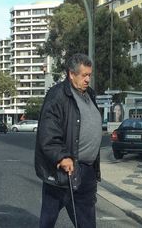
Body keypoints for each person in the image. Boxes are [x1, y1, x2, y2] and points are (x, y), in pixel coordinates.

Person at [35, 53, 102, 228]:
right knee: (48, 220)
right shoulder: (58, 95)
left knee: (87, 223)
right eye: (84, 75)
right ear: (71, 74)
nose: (88, 79)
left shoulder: (90, 95)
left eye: (89, 75)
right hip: (64, 170)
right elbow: (48, 134)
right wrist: (62, 157)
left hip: (86, 172)